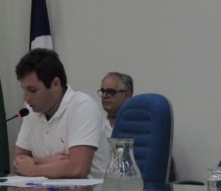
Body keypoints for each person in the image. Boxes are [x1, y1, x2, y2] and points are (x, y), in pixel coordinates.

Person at [13, 48, 109, 179]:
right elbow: (19, 161)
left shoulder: (83, 106)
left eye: (32, 90)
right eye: (24, 90)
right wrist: (52, 162)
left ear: (56, 84)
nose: (26, 98)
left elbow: (78, 169)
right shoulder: (31, 110)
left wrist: (33, 169)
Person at [98, 72, 133, 137]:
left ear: (127, 95)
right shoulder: (96, 125)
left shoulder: (139, 124)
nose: (104, 96)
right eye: (103, 91)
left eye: (110, 92)